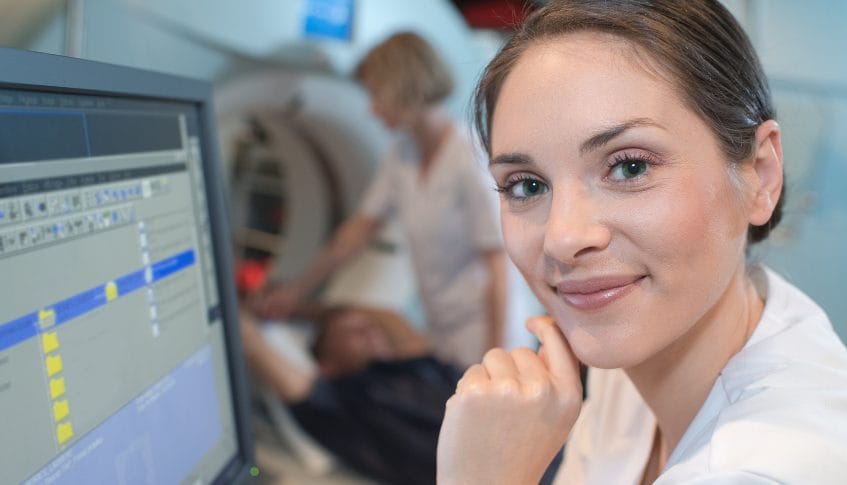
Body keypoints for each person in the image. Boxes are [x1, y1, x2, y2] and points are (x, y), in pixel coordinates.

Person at [436, 1, 847, 484]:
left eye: (630, 167)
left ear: (760, 175)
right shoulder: (634, 346)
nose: (563, 237)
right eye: (526, 185)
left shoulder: (772, 467)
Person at [253, 31, 508, 368]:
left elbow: (497, 264)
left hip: (491, 330)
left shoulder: (468, 156)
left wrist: (495, 356)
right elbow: (357, 231)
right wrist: (296, 291)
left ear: (402, 85)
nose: (371, 109)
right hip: (443, 326)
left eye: (375, 94)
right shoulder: (401, 155)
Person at [239, 304, 461, 485]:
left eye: (369, 325)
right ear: (327, 365)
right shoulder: (346, 400)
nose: (369, 331)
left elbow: (392, 316)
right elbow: (258, 349)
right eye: (350, 332)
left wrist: (297, 306)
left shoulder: (412, 366)